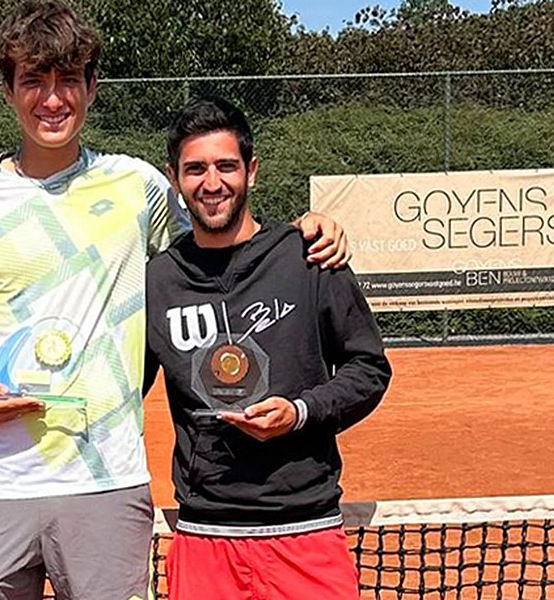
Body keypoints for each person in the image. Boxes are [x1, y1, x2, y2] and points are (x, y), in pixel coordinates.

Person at [0, 2, 349, 598]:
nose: (52, 98)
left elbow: (220, 240)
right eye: (33, 80)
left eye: (68, 79)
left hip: (108, 484)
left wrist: (302, 232)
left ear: (91, 87)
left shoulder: (138, 187)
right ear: (8, 90)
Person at [144, 95, 392, 600]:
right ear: (175, 179)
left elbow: (368, 368)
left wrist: (300, 412)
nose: (211, 183)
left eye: (226, 166)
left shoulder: (309, 257)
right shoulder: (157, 282)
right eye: (195, 169)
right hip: (204, 535)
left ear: (251, 171)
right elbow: (118, 387)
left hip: (307, 531)